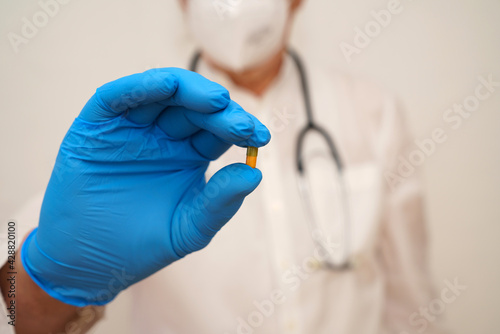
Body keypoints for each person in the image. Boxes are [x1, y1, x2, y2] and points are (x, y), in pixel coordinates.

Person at [0, 0, 447, 333]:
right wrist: (57, 280)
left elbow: (412, 300)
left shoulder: (372, 110)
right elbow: (12, 287)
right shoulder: (132, 127)